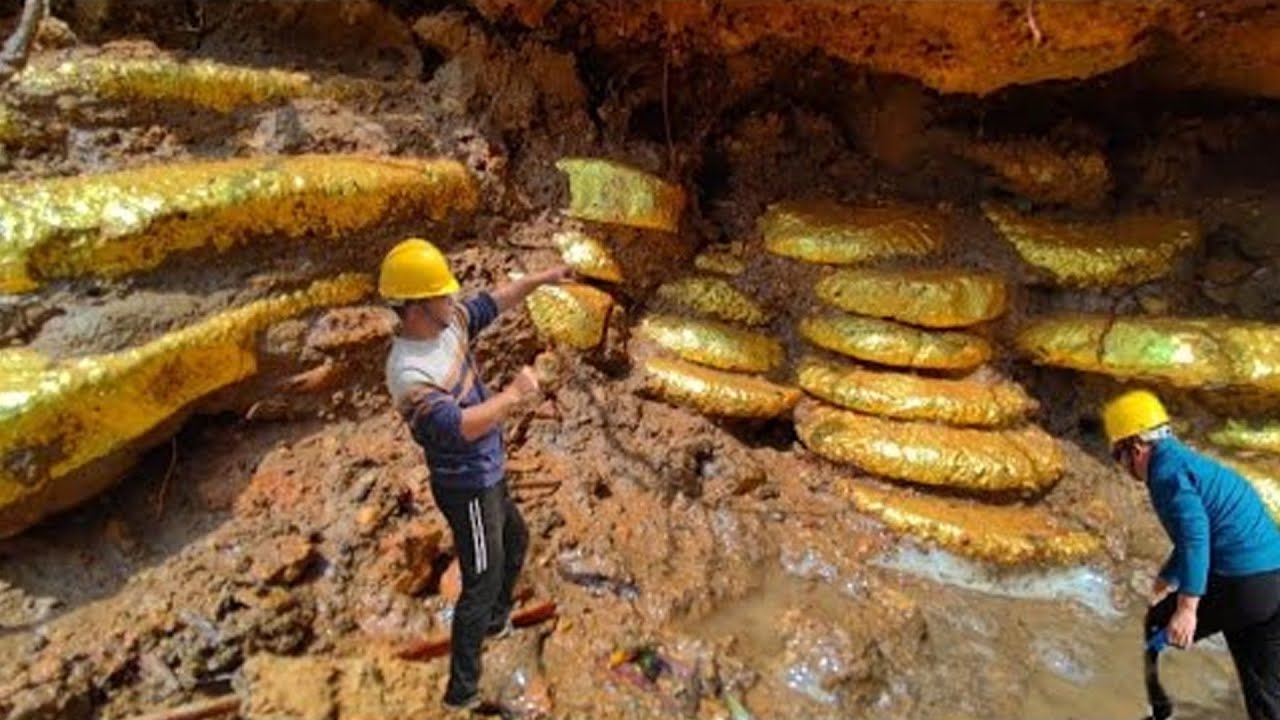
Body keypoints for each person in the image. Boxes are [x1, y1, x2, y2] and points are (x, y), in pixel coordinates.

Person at [379, 238, 570, 711]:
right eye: (442, 294)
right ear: (418, 306)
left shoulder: (446, 327)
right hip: (466, 486)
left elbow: (489, 304)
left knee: (518, 542)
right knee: (481, 579)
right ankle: (462, 691)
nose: (452, 300)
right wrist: (514, 395)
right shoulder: (409, 374)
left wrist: (536, 281)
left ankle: (495, 623)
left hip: (489, 469)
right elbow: (460, 427)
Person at [1102, 389, 1280, 720]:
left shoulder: (1167, 476)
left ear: (1136, 447)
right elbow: (1199, 536)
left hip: (1242, 583)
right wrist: (1166, 577)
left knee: (1156, 626)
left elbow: (1197, 540)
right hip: (1272, 579)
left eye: (1117, 455)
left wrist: (1186, 609)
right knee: (1265, 691)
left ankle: (1159, 713)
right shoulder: (1187, 463)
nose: (1121, 466)